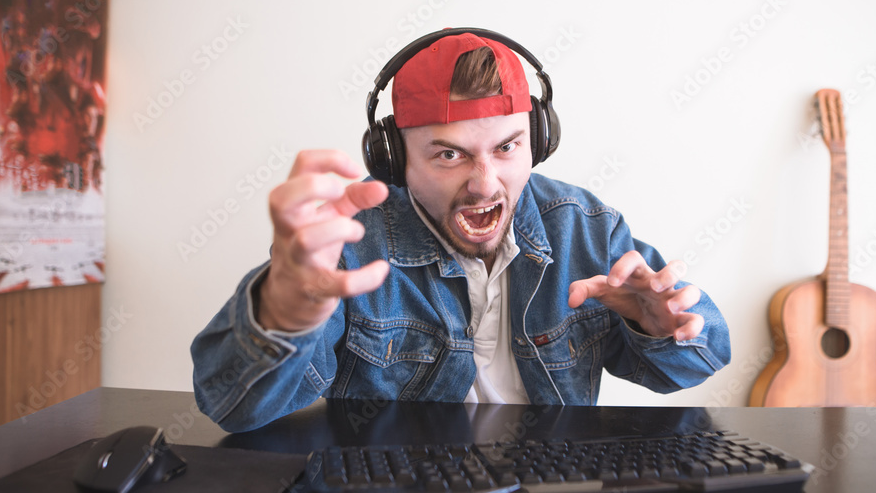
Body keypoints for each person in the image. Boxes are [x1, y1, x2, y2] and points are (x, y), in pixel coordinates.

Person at [191, 28, 730, 432]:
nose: (484, 183)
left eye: (507, 147)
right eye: (449, 154)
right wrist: (282, 317)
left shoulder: (584, 229)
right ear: (394, 159)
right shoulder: (347, 241)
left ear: (537, 141)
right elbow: (232, 408)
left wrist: (664, 331)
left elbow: (697, 362)